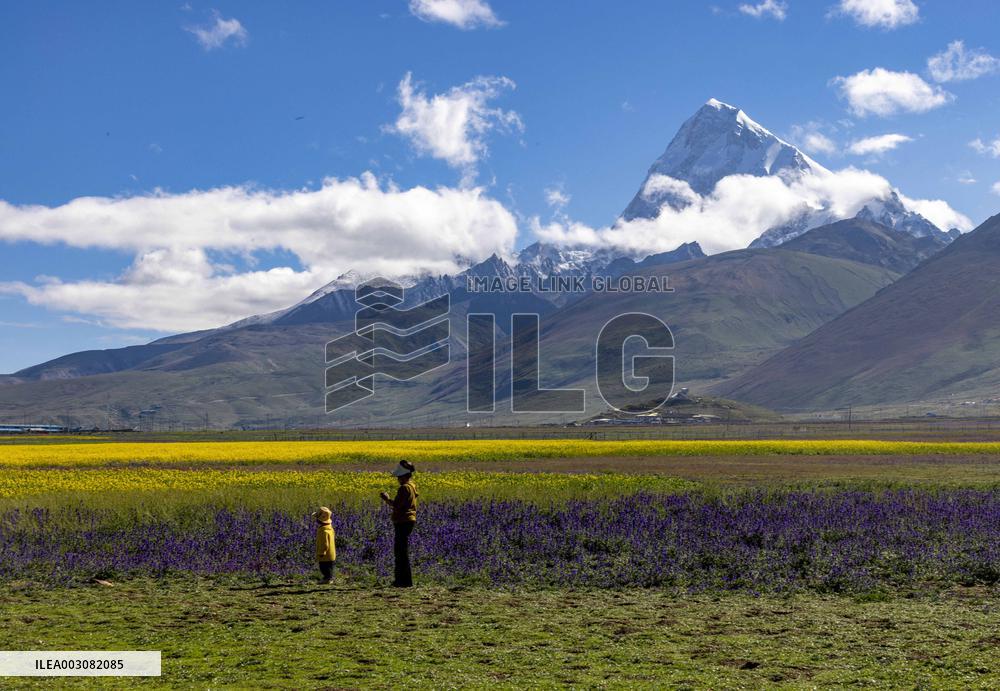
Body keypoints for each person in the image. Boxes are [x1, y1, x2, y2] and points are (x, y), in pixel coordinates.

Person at [379, 460, 418, 587]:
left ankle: (402, 581)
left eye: (399, 477)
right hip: (409, 520)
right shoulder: (412, 486)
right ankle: (404, 581)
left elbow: (396, 505)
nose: (398, 479)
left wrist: (386, 499)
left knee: (400, 552)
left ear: (404, 476)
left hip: (403, 521)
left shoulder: (404, 488)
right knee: (402, 551)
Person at [312, 506, 336, 584]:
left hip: (325, 555)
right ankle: (329, 578)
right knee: (330, 567)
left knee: (324, 567)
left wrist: (321, 552)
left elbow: (324, 543)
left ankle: (327, 579)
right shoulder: (330, 528)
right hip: (331, 553)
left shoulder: (323, 531)